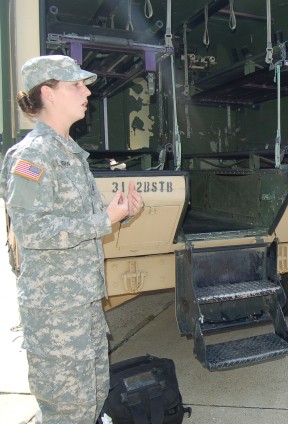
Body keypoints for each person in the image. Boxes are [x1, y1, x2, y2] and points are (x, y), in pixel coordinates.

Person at [0, 55, 144, 423]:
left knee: (92, 399)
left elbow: (81, 224)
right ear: (47, 93)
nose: (87, 91)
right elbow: (31, 232)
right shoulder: (32, 156)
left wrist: (120, 215)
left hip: (82, 303)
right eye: (76, 85)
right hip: (56, 312)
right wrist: (103, 219)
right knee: (68, 410)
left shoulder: (69, 153)